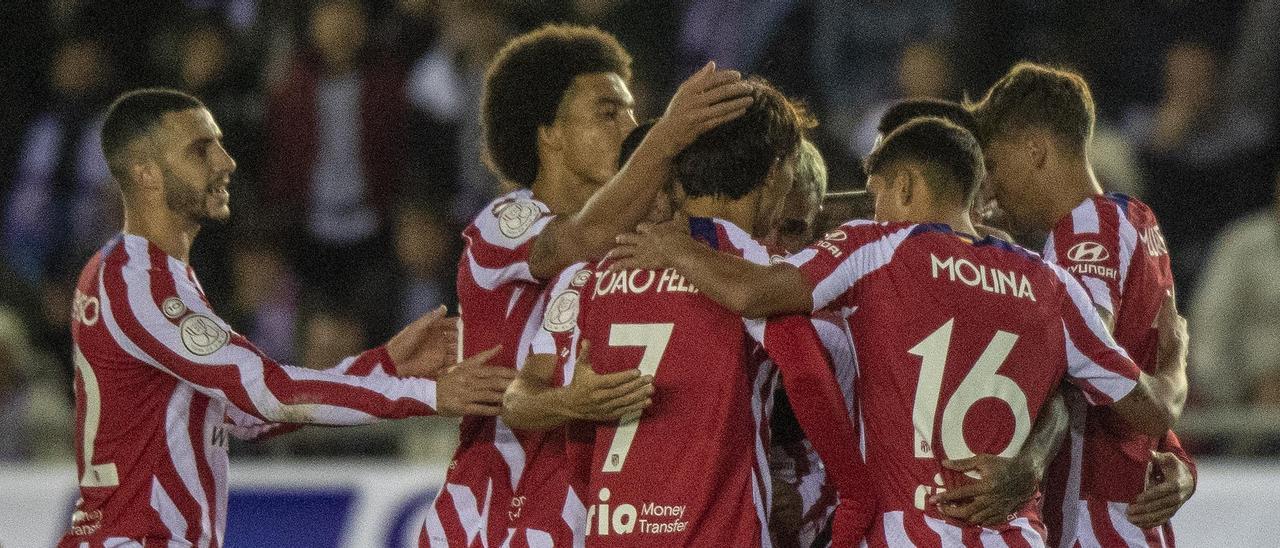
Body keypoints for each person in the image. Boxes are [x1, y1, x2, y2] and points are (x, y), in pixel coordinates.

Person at [608, 117, 1188, 546]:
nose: (872, 205)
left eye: (878, 189)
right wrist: (1176, 360)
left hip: (908, 531)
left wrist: (672, 248)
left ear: (906, 187)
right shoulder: (1052, 284)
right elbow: (1148, 411)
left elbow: (755, 291)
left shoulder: (879, 247)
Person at [59, 88, 511, 547]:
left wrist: (386, 364)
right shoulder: (139, 283)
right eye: (201, 149)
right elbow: (268, 393)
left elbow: (245, 416)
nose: (225, 161)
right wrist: (429, 392)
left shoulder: (140, 275)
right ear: (147, 175)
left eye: (218, 143)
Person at [423, 24, 753, 546]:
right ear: (548, 132)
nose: (630, 125)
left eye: (630, 110)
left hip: (587, 509)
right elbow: (580, 237)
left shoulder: (643, 236)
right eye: (608, 112)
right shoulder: (503, 223)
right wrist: (669, 134)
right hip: (493, 513)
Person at [504, 78, 868, 546]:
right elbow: (807, 376)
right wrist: (856, 494)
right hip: (714, 532)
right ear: (775, 171)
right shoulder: (746, 267)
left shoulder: (600, 273)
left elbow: (581, 443)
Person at [964, 62, 1197, 546]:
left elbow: (1082, 358)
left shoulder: (1087, 229)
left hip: (1094, 515)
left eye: (994, 163)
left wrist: (1024, 466)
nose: (990, 185)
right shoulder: (1136, 218)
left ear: (1034, 150)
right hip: (1126, 508)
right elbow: (1139, 359)